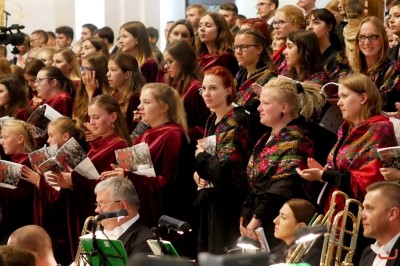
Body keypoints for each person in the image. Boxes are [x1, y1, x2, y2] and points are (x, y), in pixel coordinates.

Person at [101, 84, 196, 255]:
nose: (139, 107)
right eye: (140, 102)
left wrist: (130, 176)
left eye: (146, 102)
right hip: (144, 209)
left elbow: (169, 183)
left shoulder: (173, 136)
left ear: (163, 107)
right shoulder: (145, 134)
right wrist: (123, 174)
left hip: (165, 216)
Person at [240, 76, 324, 250]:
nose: (259, 108)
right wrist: (245, 217)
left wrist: (257, 217)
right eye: (260, 102)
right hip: (257, 219)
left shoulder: (297, 139)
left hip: (278, 221)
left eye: (265, 103)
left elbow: (283, 186)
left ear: (283, 108)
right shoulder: (265, 137)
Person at [296, 73, 397, 212]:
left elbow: (370, 181)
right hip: (338, 207)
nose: (338, 102)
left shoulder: (380, 129)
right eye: (339, 97)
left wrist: (324, 175)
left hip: (363, 212)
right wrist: (322, 173)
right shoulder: (346, 128)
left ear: (363, 98)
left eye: (344, 96)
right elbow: (341, 174)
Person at [51, 94, 131, 232]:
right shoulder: (97, 144)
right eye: (90, 117)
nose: (92, 122)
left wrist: (74, 179)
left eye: (97, 117)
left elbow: (112, 188)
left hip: (105, 218)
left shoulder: (119, 145)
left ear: (113, 117)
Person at [194, 66, 250, 254]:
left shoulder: (235, 120)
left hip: (229, 203)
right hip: (211, 199)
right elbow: (209, 162)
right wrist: (198, 173)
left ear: (228, 90)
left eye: (213, 88)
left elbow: (222, 170)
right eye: (204, 88)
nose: (206, 94)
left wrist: (200, 159)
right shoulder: (212, 119)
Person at [233, 28, 277, 143]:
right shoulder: (240, 72)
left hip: (254, 137)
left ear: (259, 49)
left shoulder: (270, 78)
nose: (238, 51)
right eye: (236, 47)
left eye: (243, 47)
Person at [93, 177, 153, 256]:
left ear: (122, 205)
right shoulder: (97, 234)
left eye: (102, 204)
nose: (96, 210)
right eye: (97, 204)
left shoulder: (146, 241)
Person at [163, 40, 209, 142]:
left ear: (183, 61)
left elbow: (204, 129)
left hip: (186, 146)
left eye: (170, 61)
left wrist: (176, 132)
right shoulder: (172, 85)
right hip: (171, 140)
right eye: (165, 62)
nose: (166, 67)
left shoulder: (195, 88)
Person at [352, 16, 400, 112]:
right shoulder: (355, 69)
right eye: (362, 37)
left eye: (372, 37)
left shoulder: (394, 69)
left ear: (383, 40)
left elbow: (382, 103)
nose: (366, 42)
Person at [0, 120, 37, 241]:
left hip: (22, 229)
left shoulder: (26, 163)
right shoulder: (15, 162)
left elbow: (19, 199)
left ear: (20, 139)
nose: (1, 142)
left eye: (5, 137)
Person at [270, 199, 322, 266]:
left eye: (283, 217)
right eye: (279, 214)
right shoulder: (278, 250)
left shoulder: (314, 256)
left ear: (301, 227)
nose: (275, 220)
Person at [359, 182, 400, 266]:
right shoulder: (367, 253)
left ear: (392, 214)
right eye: (363, 208)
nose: (361, 216)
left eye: (369, 208)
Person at [73, 53, 112, 138]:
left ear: (98, 71)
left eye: (87, 69)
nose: (82, 73)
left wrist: (91, 94)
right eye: (81, 68)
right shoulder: (82, 90)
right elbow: (78, 119)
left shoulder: (108, 95)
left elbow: (90, 119)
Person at [306, 8, 351, 82]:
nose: (309, 27)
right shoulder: (306, 53)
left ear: (329, 27)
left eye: (316, 22)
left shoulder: (338, 57)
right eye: (307, 23)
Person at [107, 52, 145, 131]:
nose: (108, 74)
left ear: (126, 74)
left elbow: (138, 131)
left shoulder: (135, 97)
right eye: (108, 70)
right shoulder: (114, 94)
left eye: (113, 70)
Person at [196, 12, 239, 77]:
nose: (201, 29)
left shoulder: (225, 58)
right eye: (200, 25)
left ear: (220, 30)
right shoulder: (200, 57)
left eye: (208, 25)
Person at [271, 5, 306, 73]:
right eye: (275, 23)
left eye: (281, 22)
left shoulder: (303, 47)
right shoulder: (281, 49)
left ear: (296, 24)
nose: (276, 27)